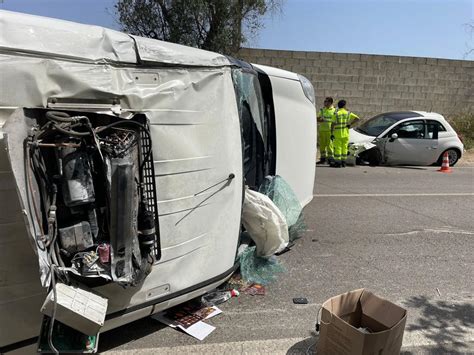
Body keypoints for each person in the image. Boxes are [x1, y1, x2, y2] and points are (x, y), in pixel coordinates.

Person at [330, 100, 360, 168]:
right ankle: (343, 162)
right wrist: (350, 124)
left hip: (338, 133)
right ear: (344, 105)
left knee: (338, 148)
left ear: (338, 105)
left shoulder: (336, 113)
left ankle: (338, 162)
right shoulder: (348, 113)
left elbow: (333, 124)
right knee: (344, 148)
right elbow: (357, 118)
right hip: (345, 133)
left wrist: (331, 133)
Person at [316, 97, 336, 164]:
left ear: (330, 102)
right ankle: (323, 159)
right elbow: (317, 119)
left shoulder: (334, 111)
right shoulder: (322, 110)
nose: (325, 103)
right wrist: (320, 119)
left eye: (326, 101)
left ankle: (330, 159)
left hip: (330, 131)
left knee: (330, 145)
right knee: (322, 145)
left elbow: (336, 121)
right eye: (324, 101)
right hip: (322, 130)